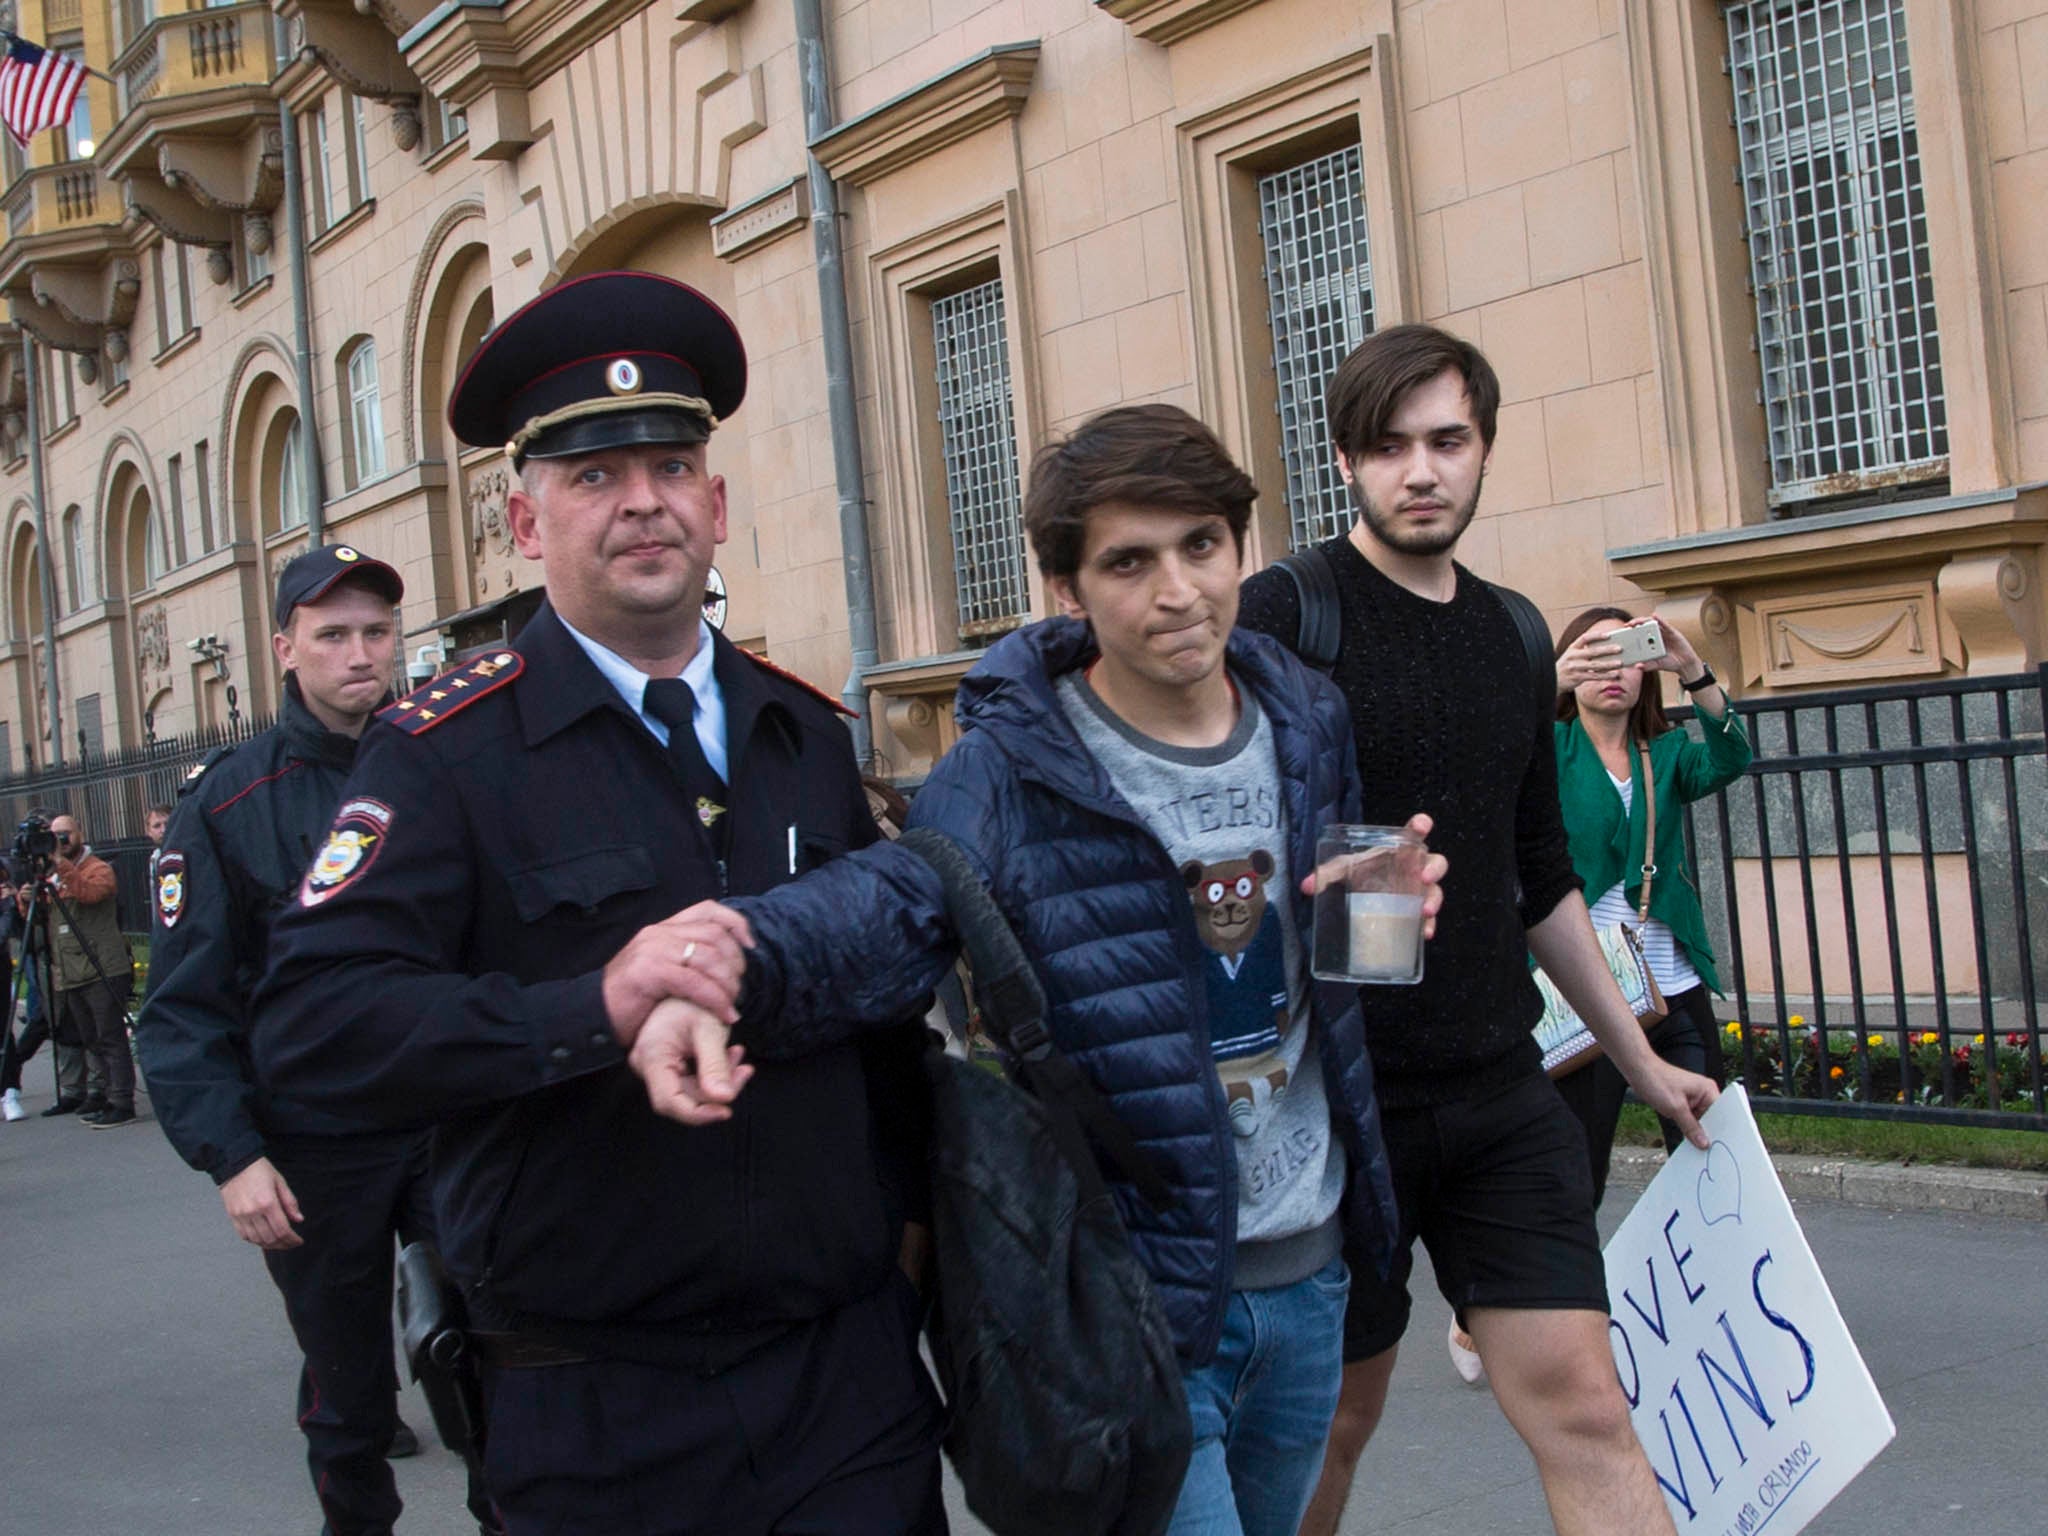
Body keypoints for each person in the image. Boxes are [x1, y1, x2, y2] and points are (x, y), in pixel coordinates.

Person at [627, 404, 1449, 1536]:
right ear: (1068, 588)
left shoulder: (1304, 712)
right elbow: (895, 901)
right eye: (1129, 562)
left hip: (1308, 1273)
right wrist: (732, 955)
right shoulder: (1014, 763)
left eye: (1201, 546)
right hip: (1132, 1302)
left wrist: (1388, 909)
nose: (1177, 591)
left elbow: (1332, 958)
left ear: (1239, 548)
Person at [249, 271, 943, 1536]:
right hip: (592, 1403)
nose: (641, 504)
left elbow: (880, 1019)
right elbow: (316, 1027)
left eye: (670, 467)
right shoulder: (443, 752)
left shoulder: (801, 735)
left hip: (842, 1384)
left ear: (716, 503)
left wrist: (907, 1232)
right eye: (592, 476)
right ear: (523, 519)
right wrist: (593, 1009)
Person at [1231, 324, 1717, 1536]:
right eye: (1388, 445)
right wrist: (1315, 887)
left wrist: (1642, 1060)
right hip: (1337, 1108)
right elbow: (1207, 843)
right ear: (1345, 459)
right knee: (1329, 1425)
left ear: (1483, 448)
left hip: (1499, 1094)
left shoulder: (1511, 632)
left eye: (1446, 440)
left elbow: (1539, 876)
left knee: (1590, 1409)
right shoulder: (1284, 613)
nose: (1421, 470)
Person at [135, 544, 492, 1536]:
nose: (359, 654)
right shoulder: (226, 804)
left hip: (446, 1125)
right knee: (348, 1404)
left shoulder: (446, 764)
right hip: (311, 1146)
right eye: (332, 635)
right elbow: (181, 1008)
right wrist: (234, 1157)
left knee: (487, 1370)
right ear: (286, 648)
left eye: (376, 632)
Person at [1549, 608, 1753, 1203]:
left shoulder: (1664, 752)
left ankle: (1717, 1278)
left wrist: (1690, 666)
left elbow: (1732, 757)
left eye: (1627, 654)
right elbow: (1489, 746)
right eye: (1594, 654)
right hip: (1585, 994)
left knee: (1710, 1150)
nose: (1612, 669)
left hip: (1673, 985)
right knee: (1579, 1168)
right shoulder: (1548, 749)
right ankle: (1568, 1291)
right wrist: (1547, 682)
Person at [19, 812, 138, 1128]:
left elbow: (89, 893)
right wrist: (26, 898)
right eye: (54, 835)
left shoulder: (99, 868)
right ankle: (101, 1094)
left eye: (65, 834)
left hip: (102, 966)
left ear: (80, 833)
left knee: (110, 1037)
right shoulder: (52, 875)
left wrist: (60, 863)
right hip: (72, 969)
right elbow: (44, 920)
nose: (60, 841)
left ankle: (122, 1101)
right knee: (90, 1039)